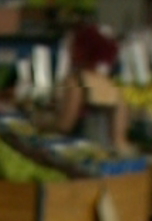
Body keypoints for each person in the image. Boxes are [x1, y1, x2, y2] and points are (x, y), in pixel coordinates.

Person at [52, 23, 132, 152]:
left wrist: (43, 124)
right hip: (106, 156)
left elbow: (65, 125)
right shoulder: (114, 86)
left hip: (78, 154)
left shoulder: (76, 81)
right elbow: (119, 140)